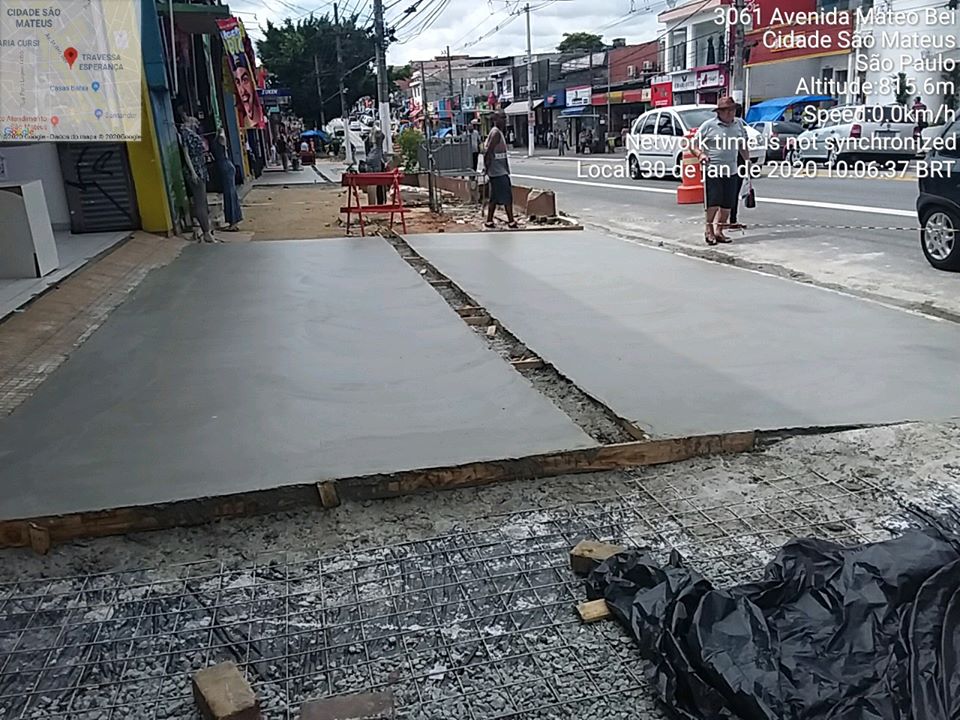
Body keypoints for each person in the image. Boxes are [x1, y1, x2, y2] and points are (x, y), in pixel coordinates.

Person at [692, 96, 749, 245]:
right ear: (719, 112)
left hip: (731, 169)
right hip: (713, 169)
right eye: (726, 111)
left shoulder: (738, 125)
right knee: (714, 201)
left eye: (732, 110)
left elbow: (743, 145)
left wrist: (748, 162)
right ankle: (709, 230)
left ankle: (719, 231)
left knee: (727, 203)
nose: (730, 113)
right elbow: (693, 144)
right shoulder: (708, 126)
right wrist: (700, 154)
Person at [178, 117, 215, 243]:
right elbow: (186, 153)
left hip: (200, 167)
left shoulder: (190, 134)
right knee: (200, 201)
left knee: (202, 200)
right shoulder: (185, 134)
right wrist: (193, 171)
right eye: (195, 123)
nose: (196, 125)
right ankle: (206, 232)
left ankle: (204, 230)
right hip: (196, 169)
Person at [483, 111, 518, 230]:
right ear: (496, 119)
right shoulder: (496, 133)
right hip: (498, 171)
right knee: (507, 197)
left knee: (494, 197)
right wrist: (486, 168)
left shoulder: (497, 132)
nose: (504, 120)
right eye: (502, 118)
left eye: (505, 118)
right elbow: (488, 152)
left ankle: (489, 220)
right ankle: (511, 221)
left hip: (497, 170)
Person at [211, 129, 243, 231]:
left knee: (230, 194)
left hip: (226, 167)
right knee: (229, 194)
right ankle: (232, 221)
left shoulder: (220, 138)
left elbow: (222, 138)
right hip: (225, 167)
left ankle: (233, 222)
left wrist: (221, 132)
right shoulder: (219, 139)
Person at [365, 129, 387, 204]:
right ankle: (381, 202)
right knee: (380, 185)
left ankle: (376, 202)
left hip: (372, 175)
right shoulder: (379, 151)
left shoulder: (372, 152)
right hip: (379, 175)